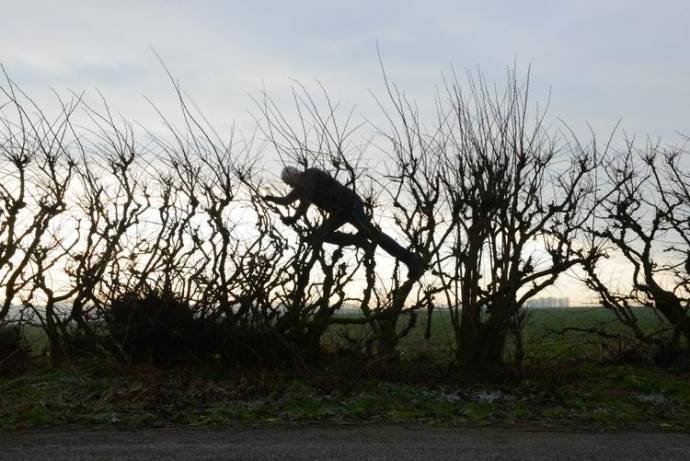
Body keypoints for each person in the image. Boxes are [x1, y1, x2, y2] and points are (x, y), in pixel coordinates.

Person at [263, 166, 423, 278]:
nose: (290, 186)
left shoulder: (311, 175)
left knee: (373, 234)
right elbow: (286, 200)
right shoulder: (301, 187)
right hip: (339, 212)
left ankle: (410, 259)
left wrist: (293, 218)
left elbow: (306, 199)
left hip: (351, 205)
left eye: (290, 183)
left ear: (295, 176)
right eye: (288, 185)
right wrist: (270, 199)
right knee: (319, 235)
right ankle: (357, 240)